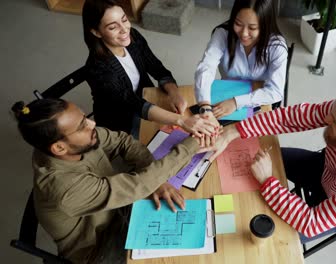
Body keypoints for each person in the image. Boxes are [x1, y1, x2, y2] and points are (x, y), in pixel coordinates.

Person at [202, 80, 336, 242]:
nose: (326, 119)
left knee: (264, 237)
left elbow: (312, 222)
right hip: (325, 168)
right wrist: (232, 132)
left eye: (334, 122)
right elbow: (289, 118)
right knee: (257, 161)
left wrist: (268, 182)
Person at [11, 98, 200, 263]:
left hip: (119, 209)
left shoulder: (76, 140)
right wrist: (194, 143)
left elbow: (123, 141)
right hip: (99, 248)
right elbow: (137, 186)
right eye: (81, 126)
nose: (92, 124)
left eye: (84, 118)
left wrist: (156, 181)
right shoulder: (64, 188)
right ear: (59, 148)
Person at [83, 0, 217, 139]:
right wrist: (181, 121)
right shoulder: (97, 69)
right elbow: (133, 103)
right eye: (113, 27)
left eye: (124, 20)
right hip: (122, 123)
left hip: (145, 100)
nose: (124, 29)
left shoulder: (133, 37)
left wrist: (174, 93)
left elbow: (156, 67)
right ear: (96, 32)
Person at [194, 0, 287, 122]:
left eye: (252, 28)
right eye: (238, 24)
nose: (244, 33)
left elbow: (275, 91)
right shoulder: (223, 34)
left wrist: (236, 102)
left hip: (260, 99)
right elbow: (206, 68)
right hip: (226, 93)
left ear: (265, 26)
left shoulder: (276, 47)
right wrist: (205, 106)